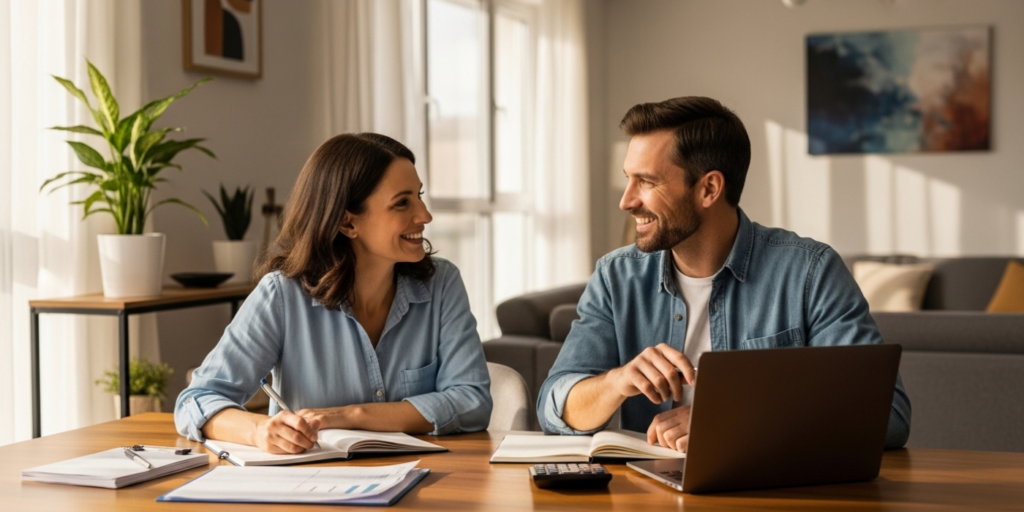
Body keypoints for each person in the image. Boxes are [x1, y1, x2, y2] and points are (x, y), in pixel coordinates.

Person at [538, 96, 910, 452]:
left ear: (709, 188)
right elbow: (555, 408)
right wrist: (616, 382)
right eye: (628, 179)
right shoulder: (615, 277)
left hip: (770, 487)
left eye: (647, 182)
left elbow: (887, 416)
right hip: (651, 488)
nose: (626, 200)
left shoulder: (810, 272)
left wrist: (737, 419)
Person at [175, 133, 492, 454]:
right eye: (402, 203)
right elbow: (195, 401)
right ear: (347, 223)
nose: (425, 215)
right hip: (312, 481)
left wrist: (352, 416)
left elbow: (472, 402)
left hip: (430, 476)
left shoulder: (442, 283)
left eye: (419, 196)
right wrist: (259, 431)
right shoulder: (281, 295)